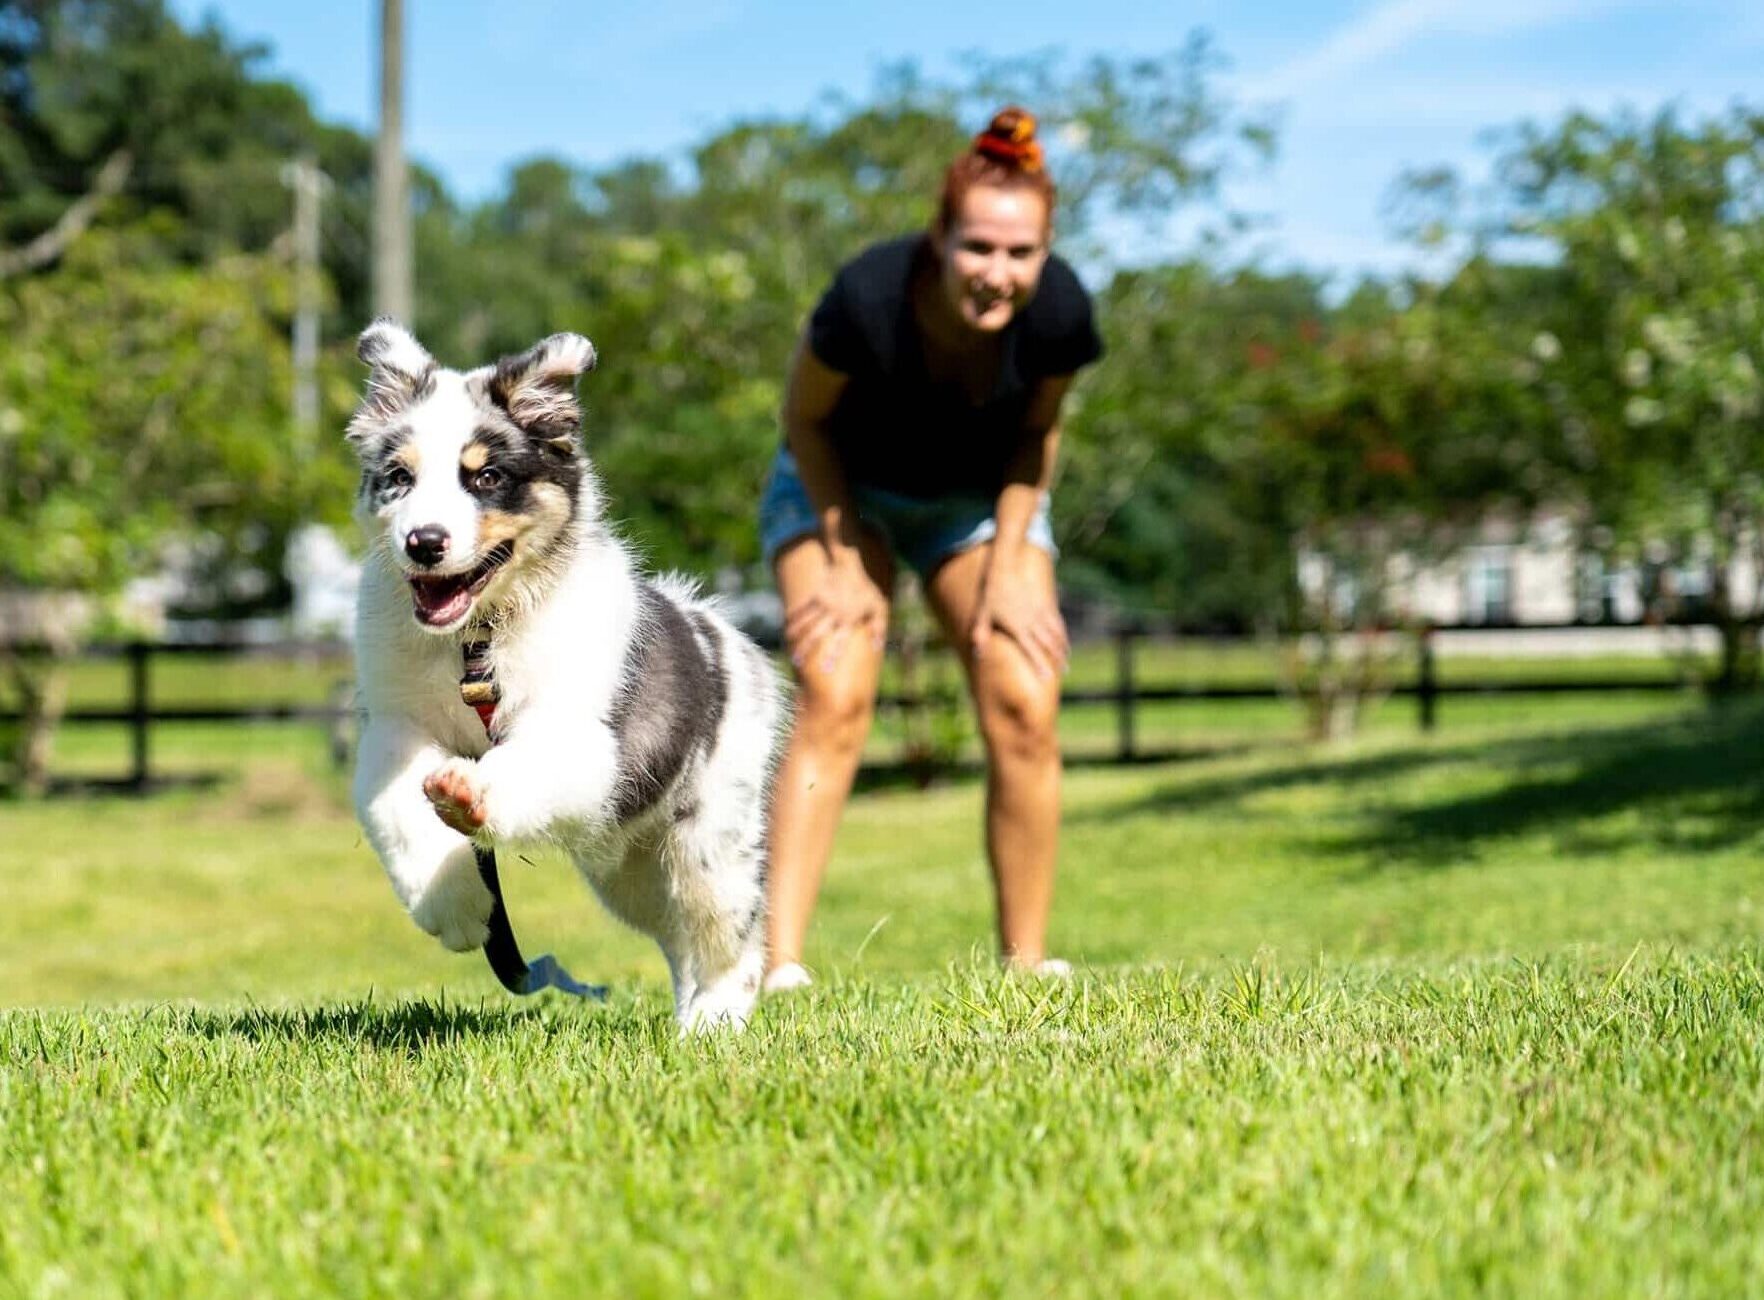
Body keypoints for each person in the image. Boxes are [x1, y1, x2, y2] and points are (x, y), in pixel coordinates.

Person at [758, 107, 1104, 992]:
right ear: (941, 236)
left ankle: (1025, 965)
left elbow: (1037, 438)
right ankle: (772, 965)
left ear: (1046, 251)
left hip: (975, 504)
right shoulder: (867, 300)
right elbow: (802, 419)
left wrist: (1016, 559)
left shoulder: (1059, 313)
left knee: (1026, 692)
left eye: (1020, 254)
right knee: (836, 682)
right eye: (978, 249)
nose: (999, 274)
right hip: (838, 480)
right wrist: (840, 557)